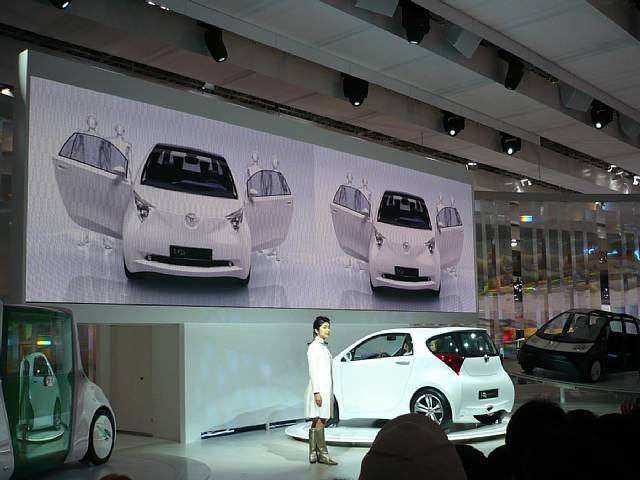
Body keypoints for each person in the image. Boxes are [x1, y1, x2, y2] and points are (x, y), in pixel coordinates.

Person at [305, 316, 338, 465]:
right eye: (324, 327)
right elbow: (313, 371)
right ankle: (323, 454)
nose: (328, 330)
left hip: (324, 388)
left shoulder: (322, 346)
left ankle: (314, 453)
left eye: (328, 327)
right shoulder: (314, 347)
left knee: (318, 419)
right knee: (321, 420)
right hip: (319, 390)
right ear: (316, 330)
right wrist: (316, 392)